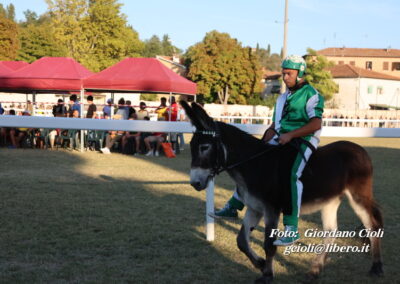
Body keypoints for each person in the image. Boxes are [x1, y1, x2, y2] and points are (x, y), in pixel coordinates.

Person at [211, 55, 324, 246]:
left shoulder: (312, 94)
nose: (285, 77)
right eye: (283, 73)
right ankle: (234, 206)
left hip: (304, 141)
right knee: (251, 163)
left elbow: (316, 123)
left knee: (291, 175)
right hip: (281, 139)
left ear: (300, 73)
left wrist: (291, 135)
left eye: (289, 73)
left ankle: (291, 229)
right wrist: (264, 140)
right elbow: (275, 124)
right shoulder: (282, 98)